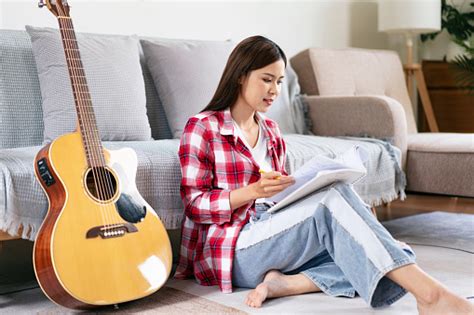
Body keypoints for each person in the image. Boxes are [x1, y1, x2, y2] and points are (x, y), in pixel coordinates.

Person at [174, 35, 473, 314]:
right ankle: (432, 296)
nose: (274, 91)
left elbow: (278, 196)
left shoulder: (272, 132)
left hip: (271, 231)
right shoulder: (203, 127)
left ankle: (288, 283)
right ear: (240, 75)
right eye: (266, 80)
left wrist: (294, 190)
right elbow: (194, 206)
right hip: (231, 249)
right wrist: (252, 192)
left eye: (279, 81)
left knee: (392, 250)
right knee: (373, 245)